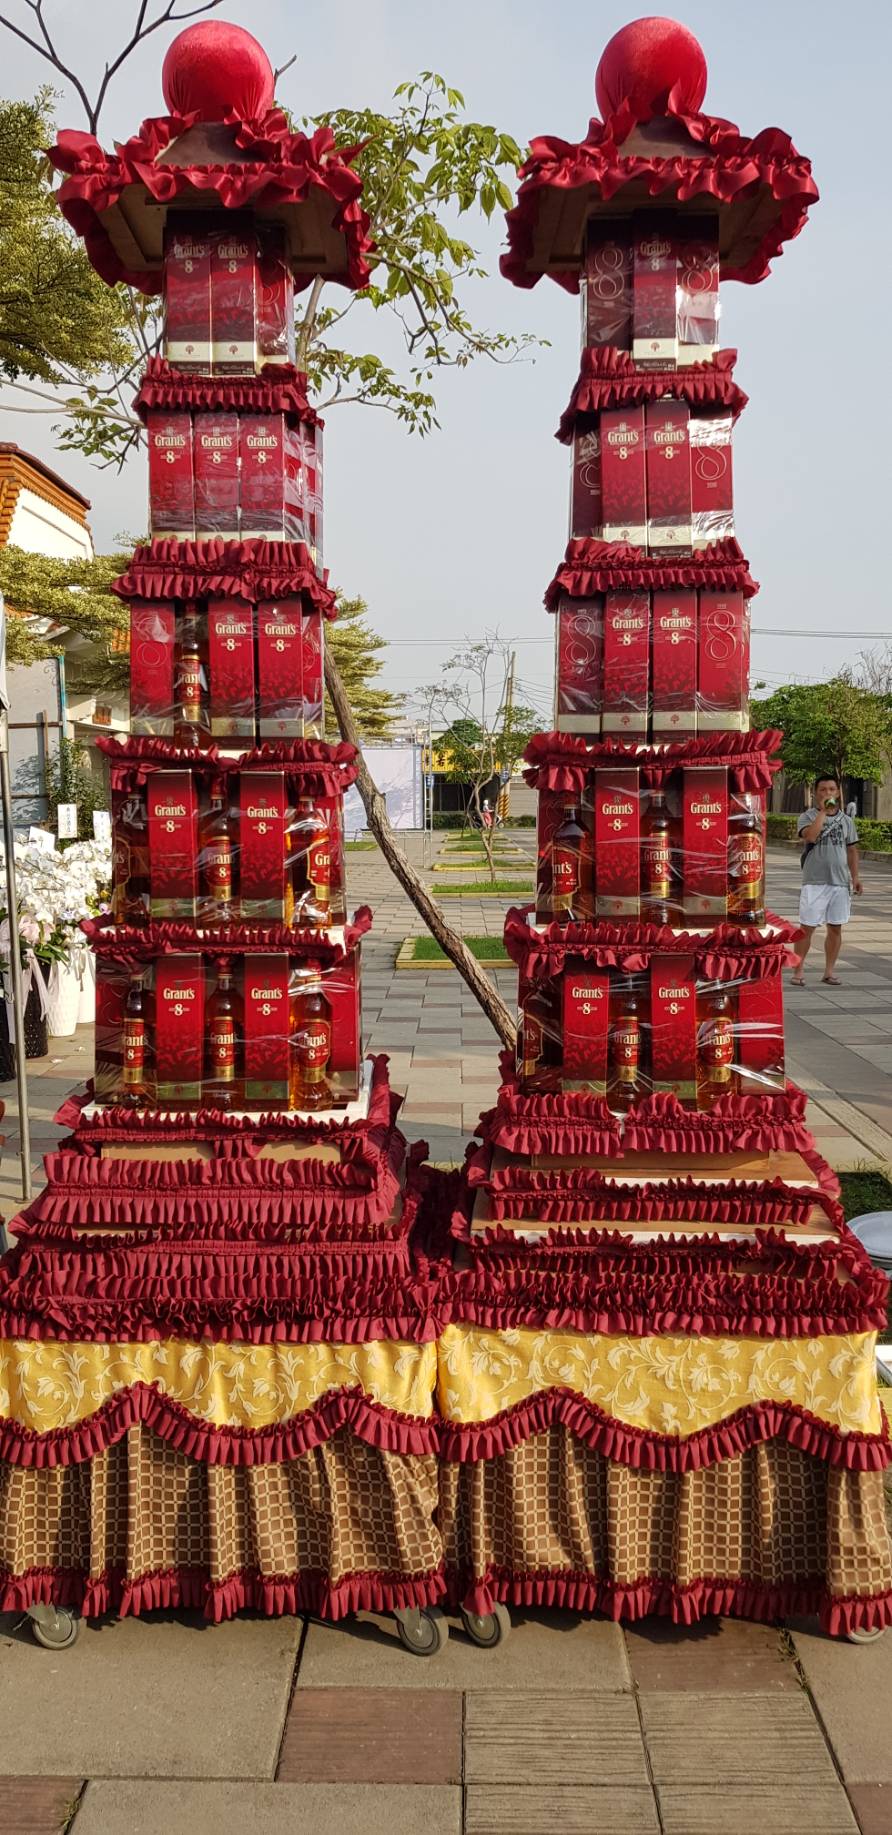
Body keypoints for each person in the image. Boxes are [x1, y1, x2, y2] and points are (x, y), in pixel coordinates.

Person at [791, 773, 862, 987]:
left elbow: (852, 850)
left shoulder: (846, 821)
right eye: (823, 790)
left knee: (835, 927)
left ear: (838, 793)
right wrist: (823, 811)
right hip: (815, 881)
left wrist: (855, 877)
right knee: (807, 927)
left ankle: (829, 971)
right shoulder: (807, 816)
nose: (827, 793)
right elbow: (810, 836)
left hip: (840, 882)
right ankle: (798, 970)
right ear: (815, 793)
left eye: (831, 789)